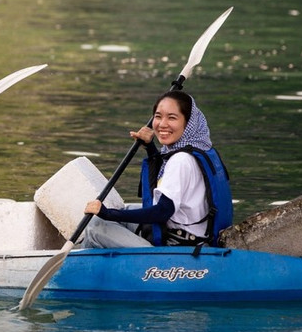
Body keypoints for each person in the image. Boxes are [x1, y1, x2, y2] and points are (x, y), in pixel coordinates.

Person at [81, 90, 233, 248]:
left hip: (179, 247)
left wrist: (108, 214)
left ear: (188, 123)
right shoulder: (199, 148)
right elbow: (170, 180)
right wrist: (150, 148)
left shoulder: (181, 160)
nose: (162, 124)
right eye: (158, 116)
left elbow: (162, 212)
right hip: (195, 234)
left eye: (172, 117)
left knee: (95, 228)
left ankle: (78, 269)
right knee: (115, 213)